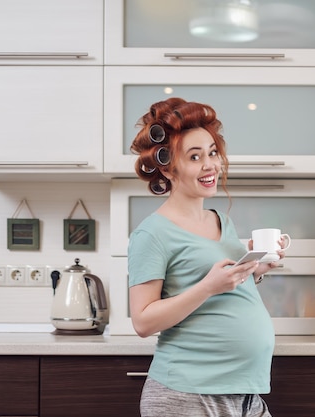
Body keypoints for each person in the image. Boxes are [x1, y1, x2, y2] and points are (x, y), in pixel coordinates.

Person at [127, 97, 284, 417]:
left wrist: (256, 268)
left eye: (212, 153)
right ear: (168, 167)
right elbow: (143, 321)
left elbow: (221, 286)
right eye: (195, 156)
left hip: (245, 393)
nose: (210, 164)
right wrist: (207, 287)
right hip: (187, 396)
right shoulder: (152, 234)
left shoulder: (220, 220)